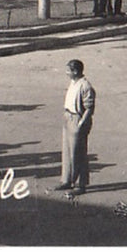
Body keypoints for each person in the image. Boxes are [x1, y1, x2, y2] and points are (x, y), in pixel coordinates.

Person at [56, 59, 96, 195]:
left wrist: (81, 124)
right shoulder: (73, 82)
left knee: (78, 154)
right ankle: (67, 180)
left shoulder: (85, 86)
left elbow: (89, 108)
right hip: (68, 117)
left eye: (68, 71)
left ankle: (81, 184)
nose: (66, 73)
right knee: (67, 152)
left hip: (77, 119)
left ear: (75, 71)